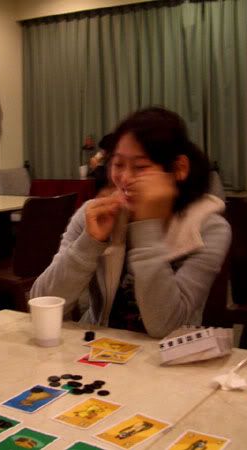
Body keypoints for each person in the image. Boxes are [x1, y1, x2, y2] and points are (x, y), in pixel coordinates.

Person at [31, 107, 231, 338]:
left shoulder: (208, 228)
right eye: (118, 164)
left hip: (168, 355)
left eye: (141, 167)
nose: (124, 178)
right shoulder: (95, 214)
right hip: (98, 346)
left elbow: (166, 327)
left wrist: (147, 224)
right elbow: (42, 301)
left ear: (179, 168)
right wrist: (90, 242)